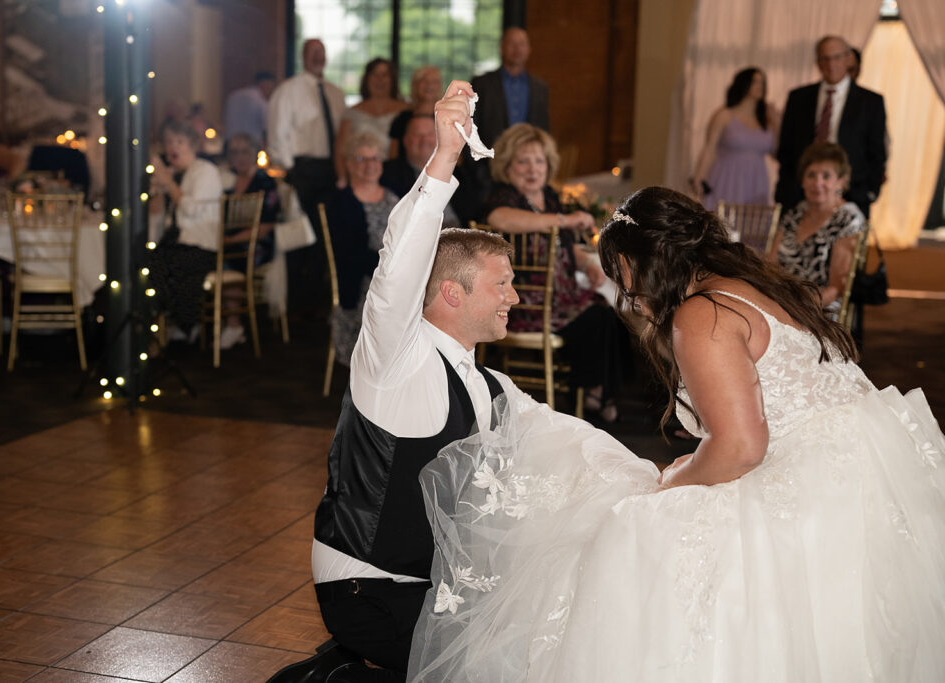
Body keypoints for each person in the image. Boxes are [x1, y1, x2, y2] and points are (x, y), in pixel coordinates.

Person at [408, 185, 945, 681]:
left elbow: (740, 447)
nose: (627, 291)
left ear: (641, 261)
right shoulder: (754, 285)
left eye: (623, 273)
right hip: (869, 468)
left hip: (809, 486)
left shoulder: (701, 314)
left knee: (632, 534)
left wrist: (676, 478)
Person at [268, 81, 649, 683]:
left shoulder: (489, 384)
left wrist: (657, 483)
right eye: (501, 285)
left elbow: (571, 436)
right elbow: (398, 265)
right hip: (369, 588)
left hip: (432, 578)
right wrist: (443, 158)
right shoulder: (396, 361)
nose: (514, 298)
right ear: (451, 292)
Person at [482, 123, 632, 421]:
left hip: (561, 294)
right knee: (595, 318)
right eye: (523, 161)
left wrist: (587, 263)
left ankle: (601, 391)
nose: (532, 169)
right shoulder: (504, 197)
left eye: (539, 161)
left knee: (612, 314)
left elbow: (562, 247)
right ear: (507, 166)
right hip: (528, 299)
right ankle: (592, 393)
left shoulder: (549, 198)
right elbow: (500, 219)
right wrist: (564, 219)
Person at [267, 38, 346, 313]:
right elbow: (277, 135)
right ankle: (297, 304)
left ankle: (319, 301)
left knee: (326, 239)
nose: (317, 57)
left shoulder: (336, 93)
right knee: (301, 237)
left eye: (321, 52)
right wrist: (291, 172)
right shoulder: (288, 91)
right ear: (302, 56)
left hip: (331, 171)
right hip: (301, 171)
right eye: (312, 52)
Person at [776, 35, 886, 217]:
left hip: (853, 197)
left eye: (836, 57)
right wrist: (786, 189)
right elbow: (786, 149)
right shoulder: (798, 98)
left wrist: (869, 192)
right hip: (799, 197)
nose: (831, 64)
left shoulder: (871, 102)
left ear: (848, 58)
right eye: (825, 58)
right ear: (818, 62)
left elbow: (877, 153)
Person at [147, 119, 224, 340]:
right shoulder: (173, 173)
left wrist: (168, 183)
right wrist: (158, 190)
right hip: (175, 243)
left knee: (161, 266)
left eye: (179, 141)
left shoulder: (205, 171)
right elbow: (158, 219)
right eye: (169, 142)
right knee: (145, 263)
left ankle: (176, 324)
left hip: (201, 247)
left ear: (192, 145)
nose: (173, 147)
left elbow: (191, 210)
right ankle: (162, 325)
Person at [771, 141, 864, 321]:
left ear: (841, 182)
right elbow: (771, 263)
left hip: (821, 313)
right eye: (811, 175)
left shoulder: (847, 220)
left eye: (826, 176)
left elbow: (837, 288)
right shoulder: (795, 214)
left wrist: (797, 309)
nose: (817, 183)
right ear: (802, 181)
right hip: (783, 305)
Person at [328, 130, 399, 366]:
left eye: (375, 158)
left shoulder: (393, 198)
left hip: (396, 276)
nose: (370, 165)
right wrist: (390, 271)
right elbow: (350, 256)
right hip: (362, 284)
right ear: (348, 163)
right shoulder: (341, 203)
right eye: (361, 159)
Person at [220, 132, 282, 349]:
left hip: (257, 243)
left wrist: (229, 241)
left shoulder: (265, 182)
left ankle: (234, 324)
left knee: (230, 259)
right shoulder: (225, 181)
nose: (240, 157)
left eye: (245, 151)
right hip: (224, 241)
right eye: (234, 152)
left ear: (255, 153)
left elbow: (265, 228)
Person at [690, 67, 779, 211]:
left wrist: (777, 123)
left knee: (752, 226)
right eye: (755, 81)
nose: (759, 86)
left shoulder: (767, 120)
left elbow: (777, 154)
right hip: (727, 179)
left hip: (756, 182)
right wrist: (699, 178)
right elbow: (710, 149)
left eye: (762, 82)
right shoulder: (725, 115)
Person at [334, 58, 408, 188]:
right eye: (375, 74)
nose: (380, 79)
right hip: (360, 177)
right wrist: (343, 180)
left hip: (398, 179)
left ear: (392, 79)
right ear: (367, 79)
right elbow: (340, 151)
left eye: (385, 75)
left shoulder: (405, 111)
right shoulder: (351, 112)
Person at [471, 27, 550, 148]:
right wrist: (476, 165)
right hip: (490, 159)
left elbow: (543, 127)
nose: (517, 48)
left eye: (522, 44)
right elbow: (471, 125)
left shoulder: (540, 87)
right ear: (501, 47)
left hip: (528, 158)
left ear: (529, 49)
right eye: (511, 43)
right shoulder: (482, 84)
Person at [379, 114, 463, 228]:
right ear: (405, 140)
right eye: (417, 134)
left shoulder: (458, 172)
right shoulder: (387, 173)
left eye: (430, 134)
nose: (424, 140)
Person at [387, 66, 443, 159]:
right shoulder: (402, 118)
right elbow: (393, 155)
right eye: (423, 81)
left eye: (434, 81)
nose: (429, 85)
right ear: (415, 85)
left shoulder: (448, 117)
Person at [224, 70, 276, 146]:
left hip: (230, 143)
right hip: (250, 145)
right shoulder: (260, 100)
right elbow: (267, 126)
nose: (271, 91)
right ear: (264, 84)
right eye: (271, 87)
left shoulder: (233, 95)